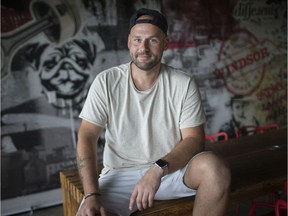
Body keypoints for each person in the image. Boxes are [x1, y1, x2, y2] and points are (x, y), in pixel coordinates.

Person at [76, 8, 231, 216]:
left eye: (153, 40)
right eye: (138, 40)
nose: (144, 48)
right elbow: (87, 135)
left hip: (170, 170)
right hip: (120, 175)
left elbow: (194, 140)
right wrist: (91, 195)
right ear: (129, 42)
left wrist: (158, 169)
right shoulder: (106, 81)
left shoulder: (183, 83)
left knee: (215, 169)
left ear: (166, 43)